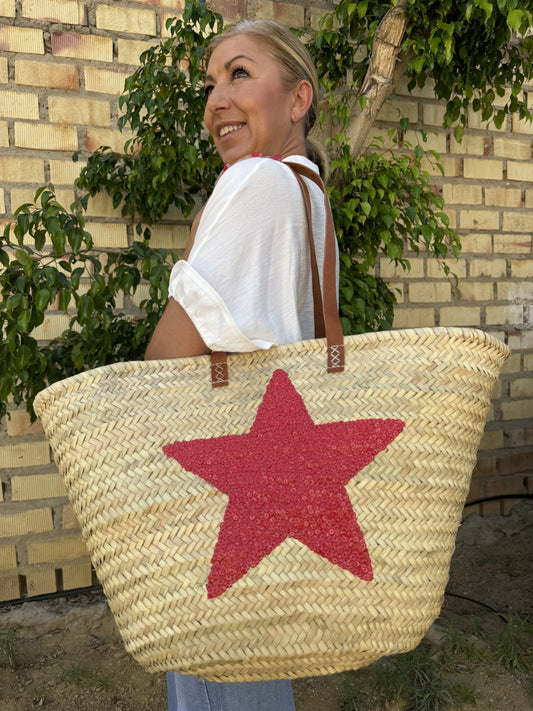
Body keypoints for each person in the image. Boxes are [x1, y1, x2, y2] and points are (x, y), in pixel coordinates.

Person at [145, 18, 338, 711]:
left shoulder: (257, 181)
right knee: (255, 663)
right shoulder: (308, 192)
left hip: (222, 485)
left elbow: (173, 356)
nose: (215, 101)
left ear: (297, 99)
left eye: (239, 74)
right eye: (209, 82)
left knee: (213, 674)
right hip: (280, 486)